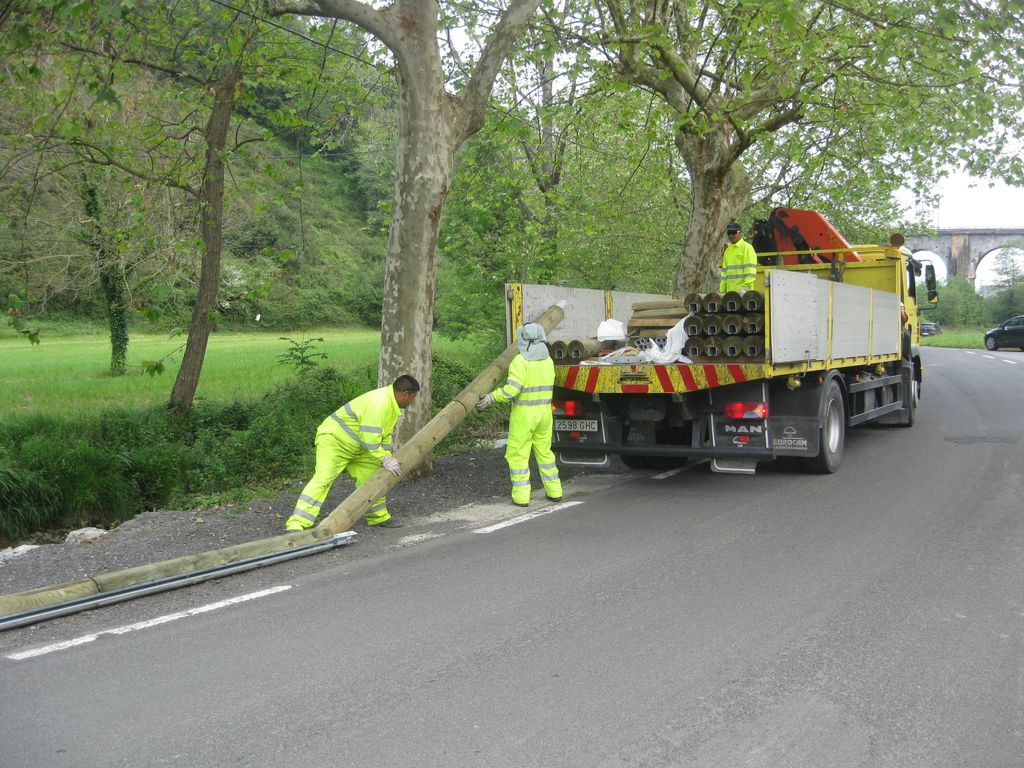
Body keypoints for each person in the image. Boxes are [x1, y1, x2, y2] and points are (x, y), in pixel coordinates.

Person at [284, 375, 421, 532]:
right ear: (405, 394)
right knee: (322, 480)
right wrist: (382, 457)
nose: (412, 402)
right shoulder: (380, 403)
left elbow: (383, 435)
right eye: (413, 397)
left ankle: (378, 517)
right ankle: (297, 524)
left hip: (360, 446)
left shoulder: (391, 404)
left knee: (372, 478)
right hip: (335, 441)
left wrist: (387, 456)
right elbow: (369, 435)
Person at [476, 323, 562, 507]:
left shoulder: (520, 361)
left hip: (525, 415)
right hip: (545, 413)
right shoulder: (548, 361)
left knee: (518, 455)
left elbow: (512, 390)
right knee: (545, 453)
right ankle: (555, 491)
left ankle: (522, 497)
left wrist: (492, 397)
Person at [720, 221, 758, 293]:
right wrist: (722, 291)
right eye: (729, 233)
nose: (731, 235)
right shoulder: (728, 251)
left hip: (744, 293)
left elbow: (750, 271)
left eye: (734, 232)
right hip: (730, 294)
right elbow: (724, 274)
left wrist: (745, 288)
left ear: (740, 233)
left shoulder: (747, 248)